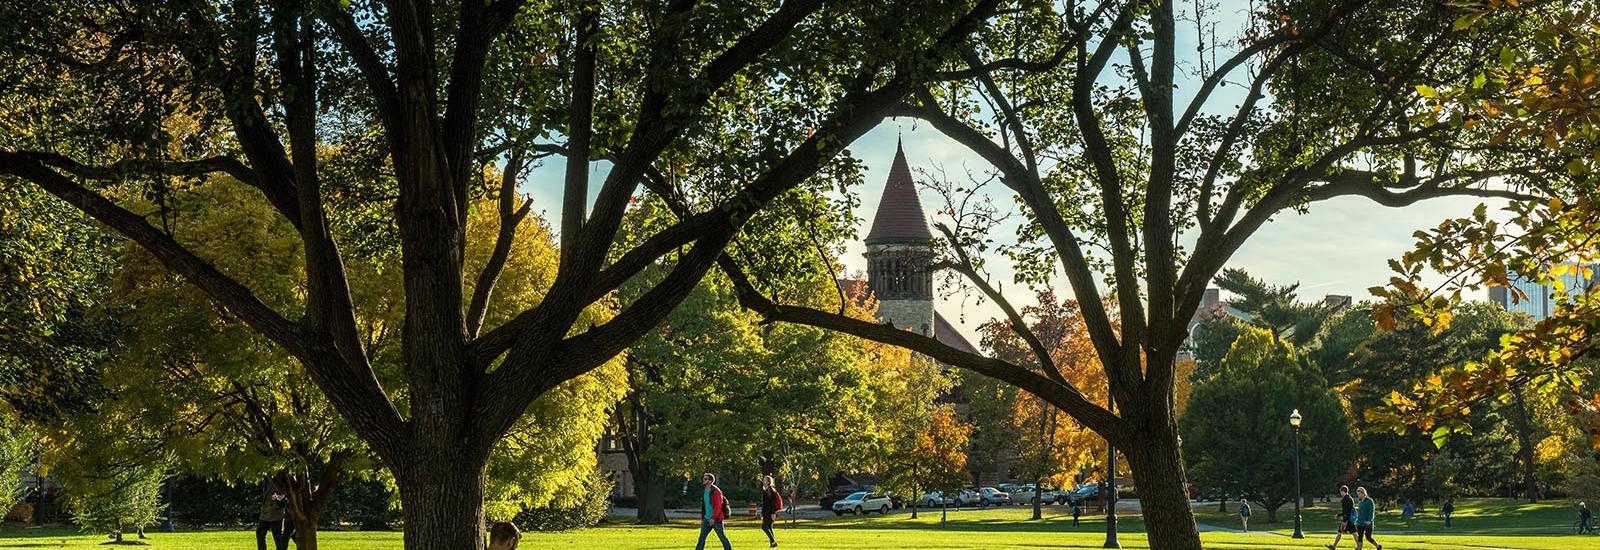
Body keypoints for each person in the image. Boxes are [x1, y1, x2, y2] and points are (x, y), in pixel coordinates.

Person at [696, 473, 732, 550]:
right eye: (703, 478)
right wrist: (703, 517)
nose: (703, 480)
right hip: (706, 519)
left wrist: (713, 518)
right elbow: (704, 506)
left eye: (706, 479)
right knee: (701, 538)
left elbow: (718, 506)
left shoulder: (716, 491)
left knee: (722, 537)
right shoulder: (705, 490)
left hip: (716, 519)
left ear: (710, 481)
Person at [256, 485, 289, 550]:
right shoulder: (266, 481)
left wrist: (277, 500)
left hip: (276, 514)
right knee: (260, 533)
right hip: (265, 513)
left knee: (278, 537)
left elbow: (283, 501)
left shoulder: (280, 482)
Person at [1327, 485, 1354, 549]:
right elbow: (1348, 511)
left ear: (1342, 491)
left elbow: (1347, 511)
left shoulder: (1345, 499)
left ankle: (1359, 547)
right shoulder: (1350, 498)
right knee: (1351, 533)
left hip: (1346, 520)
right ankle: (1334, 546)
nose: (1340, 493)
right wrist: (1339, 515)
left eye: (1340, 492)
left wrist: (1345, 521)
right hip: (1349, 519)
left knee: (1353, 533)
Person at [759, 475, 783, 548]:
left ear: (768, 482)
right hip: (767, 512)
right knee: (769, 527)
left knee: (764, 527)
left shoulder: (770, 490)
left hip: (769, 512)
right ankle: (772, 544)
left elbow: (772, 503)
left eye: (765, 480)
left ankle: (773, 541)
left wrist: (773, 513)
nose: (763, 481)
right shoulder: (767, 490)